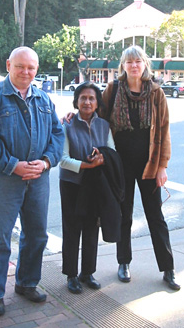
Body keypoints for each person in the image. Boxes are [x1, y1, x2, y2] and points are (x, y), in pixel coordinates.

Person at [0, 46, 65, 316]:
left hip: (38, 178)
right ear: (8, 64)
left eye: (31, 68)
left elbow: (58, 136)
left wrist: (46, 161)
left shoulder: (45, 100)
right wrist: (14, 166)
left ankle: (26, 283)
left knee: (36, 234)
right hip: (2, 179)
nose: (26, 72)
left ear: (36, 69)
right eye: (20, 66)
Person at [100, 45, 180, 290]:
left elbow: (164, 132)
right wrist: (72, 117)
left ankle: (168, 267)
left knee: (155, 215)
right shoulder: (112, 90)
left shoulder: (156, 93)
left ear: (145, 64)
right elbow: (98, 119)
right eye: (129, 62)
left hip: (149, 164)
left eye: (138, 61)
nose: (134, 66)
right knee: (124, 215)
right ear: (123, 66)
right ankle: (123, 262)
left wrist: (162, 166)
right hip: (120, 164)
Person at [59, 82, 124, 294]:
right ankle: (71, 275)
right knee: (71, 229)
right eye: (83, 98)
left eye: (92, 98)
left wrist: (102, 157)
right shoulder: (67, 125)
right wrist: (87, 164)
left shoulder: (104, 126)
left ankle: (87, 272)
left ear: (97, 103)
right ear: (76, 101)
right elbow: (63, 159)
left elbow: (112, 152)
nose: (87, 102)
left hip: (95, 184)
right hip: (72, 184)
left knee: (91, 228)